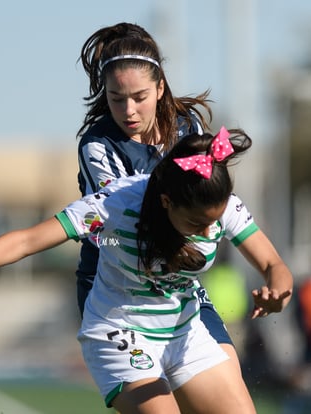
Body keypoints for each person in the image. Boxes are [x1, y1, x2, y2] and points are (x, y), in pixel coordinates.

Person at [0, 127, 293, 414]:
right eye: (198, 224)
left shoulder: (215, 200)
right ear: (165, 202)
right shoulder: (115, 204)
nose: (210, 232)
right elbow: (29, 240)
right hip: (119, 330)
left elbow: (274, 264)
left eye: (215, 222)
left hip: (184, 329)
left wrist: (277, 291)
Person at [75, 22, 243, 375]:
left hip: (177, 281)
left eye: (139, 97)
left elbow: (207, 194)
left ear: (160, 87)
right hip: (116, 288)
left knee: (228, 377)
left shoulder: (187, 127)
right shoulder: (97, 145)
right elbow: (130, 219)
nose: (129, 111)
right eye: (116, 99)